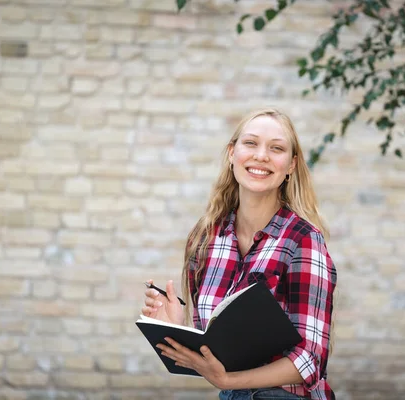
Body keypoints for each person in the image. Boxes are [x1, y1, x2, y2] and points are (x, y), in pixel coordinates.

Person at [141, 108, 337, 400]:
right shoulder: (206, 238)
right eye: (251, 143)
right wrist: (175, 328)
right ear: (232, 153)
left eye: (277, 148)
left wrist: (228, 380)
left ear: (291, 165)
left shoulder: (303, 240)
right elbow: (219, 352)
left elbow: (310, 358)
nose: (261, 156)